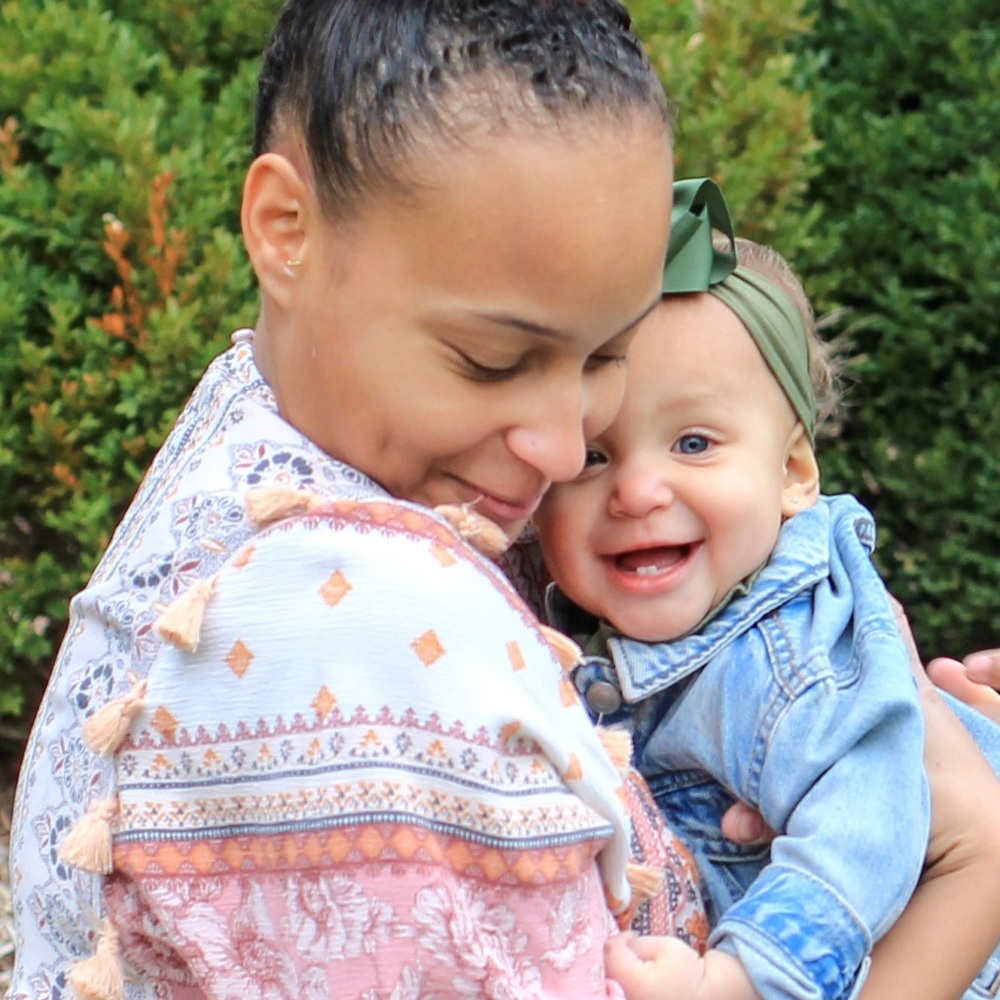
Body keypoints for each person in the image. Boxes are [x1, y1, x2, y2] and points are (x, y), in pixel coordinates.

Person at [7, 1, 1000, 996]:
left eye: (603, 355)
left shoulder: (265, 421)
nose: (565, 448)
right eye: (493, 360)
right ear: (284, 228)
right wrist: (975, 864)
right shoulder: (364, 619)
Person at [533, 178, 1000, 1000]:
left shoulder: (787, 652)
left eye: (693, 441)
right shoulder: (617, 639)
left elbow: (864, 831)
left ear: (792, 473)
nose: (637, 490)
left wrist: (739, 982)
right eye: (593, 456)